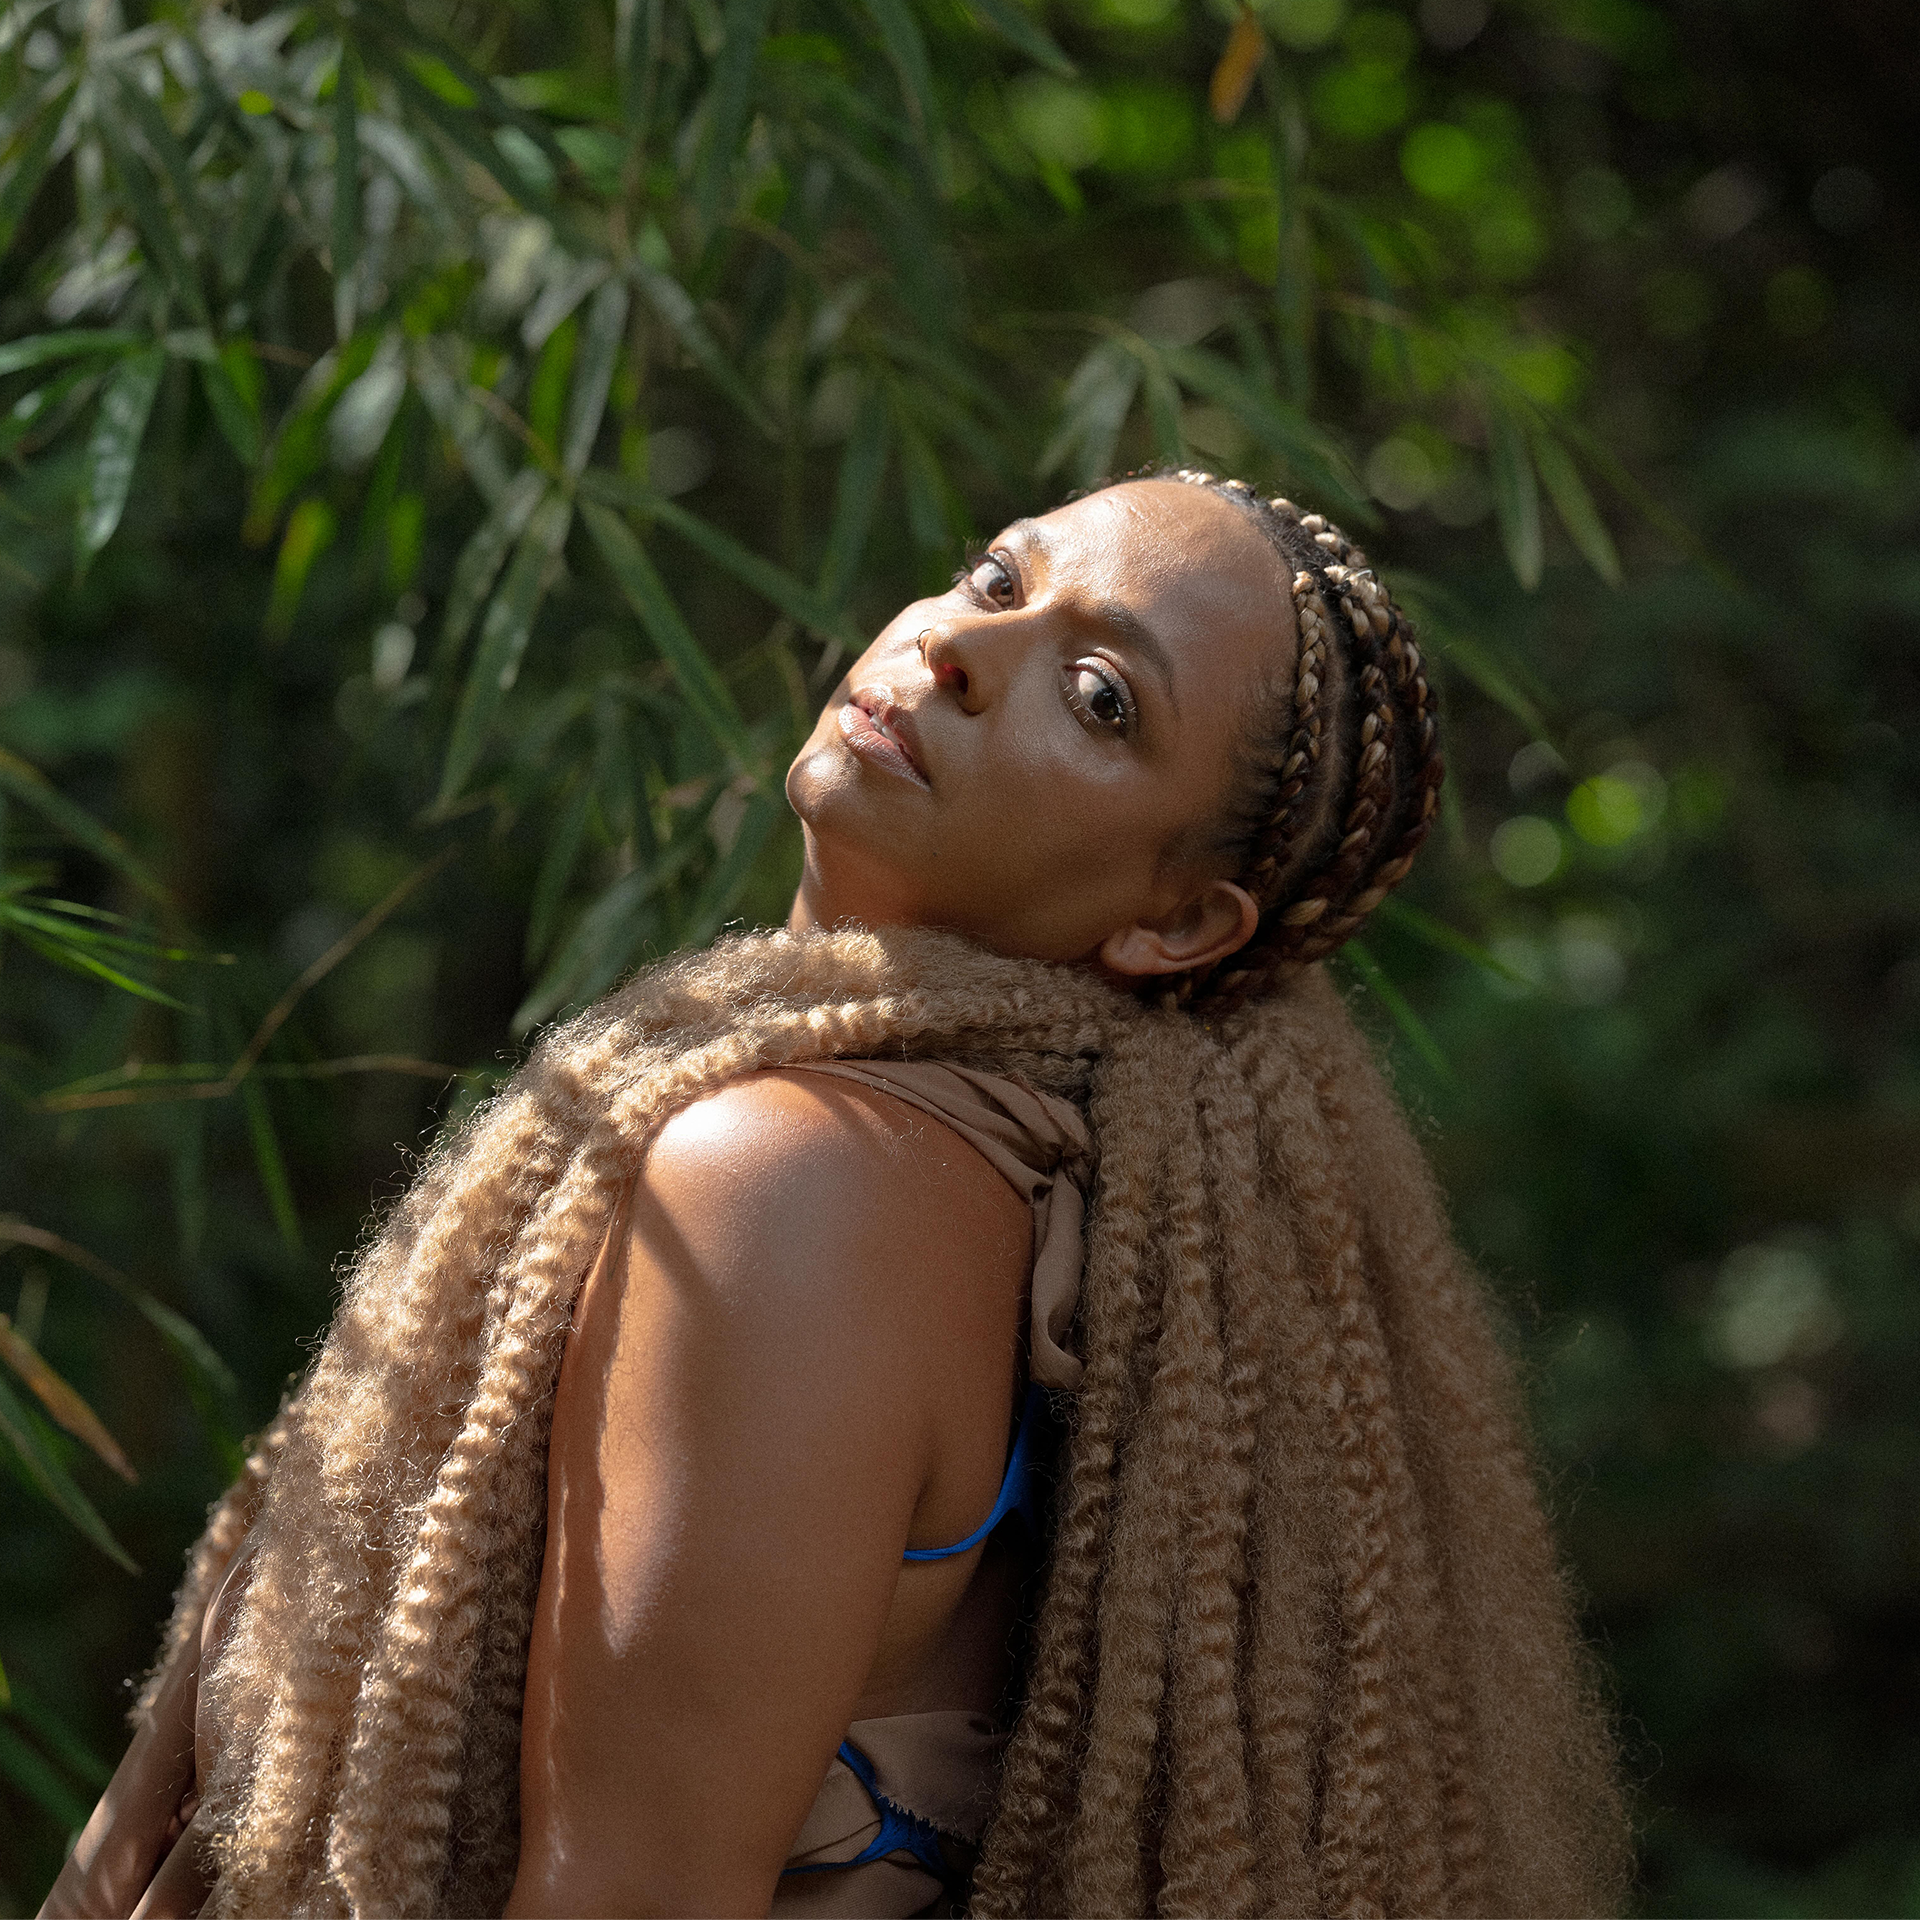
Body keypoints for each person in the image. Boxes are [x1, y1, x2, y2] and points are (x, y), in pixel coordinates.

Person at [42, 472, 1627, 1920]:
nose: (956, 648)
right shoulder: (1025, 1203)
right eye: (998, 578)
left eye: (1097, 696)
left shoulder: (801, 1184)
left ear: (1177, 922)